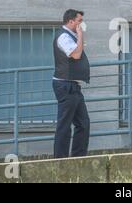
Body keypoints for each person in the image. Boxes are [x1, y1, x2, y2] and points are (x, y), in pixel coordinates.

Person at [52, 9, 90, 158]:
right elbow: (76, 54)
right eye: (79, 21)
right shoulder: (63, 36)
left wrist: (78, 36)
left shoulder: (71, 36)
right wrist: (80, 36)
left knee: (83, 123)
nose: (81, 24)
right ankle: (60, 161)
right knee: (65, 125)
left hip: (73, 86)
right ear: (71, 21)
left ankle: (78, 158)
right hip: (65, 86)